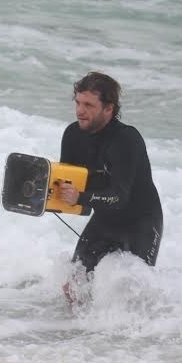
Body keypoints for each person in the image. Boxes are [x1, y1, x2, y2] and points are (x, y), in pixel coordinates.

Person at [57, 72, 163, 278]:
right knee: (74, 284)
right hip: (105, 218)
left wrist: (80, 197)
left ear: (108, 108)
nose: (80, 111)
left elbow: (118, 197)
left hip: (141, 222)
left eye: (88, 105)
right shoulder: (72, 135)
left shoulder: (126, 140)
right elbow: (71, 189)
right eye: (78, 103)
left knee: (133, 291)